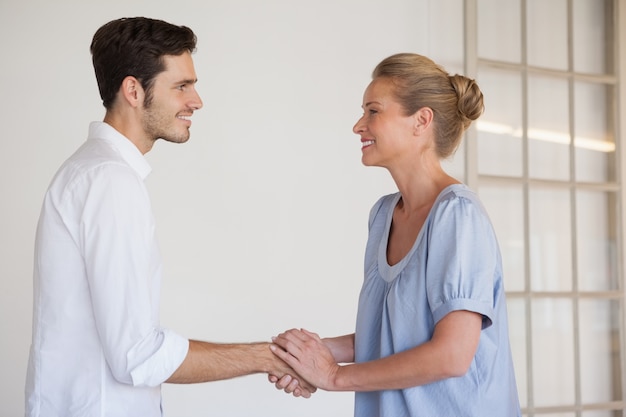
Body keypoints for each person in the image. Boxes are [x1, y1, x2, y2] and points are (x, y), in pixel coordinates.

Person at [25, 17, 312, 417]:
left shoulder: (92, 171)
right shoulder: (109, 181)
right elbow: (137, 356)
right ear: (133, 90)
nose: (196, 100)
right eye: (181, 86)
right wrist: (267, 357)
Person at [269, 53, 521, 416]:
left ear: (421, 120)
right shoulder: (383, 215)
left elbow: (451, 355)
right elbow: (395, 336)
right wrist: (311, 354)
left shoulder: (457, 215)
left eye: (373, 111)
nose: (359, 125)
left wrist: (334, 376)